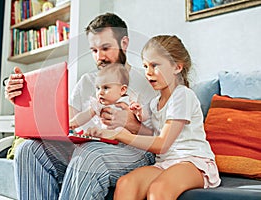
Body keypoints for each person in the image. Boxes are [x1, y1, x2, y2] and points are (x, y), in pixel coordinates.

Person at [5, 13, 158, 199]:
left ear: (124, 43)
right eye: (94, 50)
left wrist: (131, 124)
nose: (99, 57)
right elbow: (68, 123)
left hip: (133, 150)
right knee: (28, 150)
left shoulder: (148, 81)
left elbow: (161, 140)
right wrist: (23, 97)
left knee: (89, 155)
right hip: (90, 145)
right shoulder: (87, 81)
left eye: (106, 48)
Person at [86, 35, 221, 200]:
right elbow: (150, 135)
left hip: (192, 162)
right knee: (125, 183)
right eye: (145, 66)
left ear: (177, 67)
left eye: (154, 65)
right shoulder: (154, 103)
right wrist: (131, 118)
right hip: (165, 163)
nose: (148, 72)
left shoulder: (182, 95)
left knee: (158, 190)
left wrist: (120, 134)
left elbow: (162, 144)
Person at [69, 63, 131, 130]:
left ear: (122, 90)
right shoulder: (98, 105)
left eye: (106, 88)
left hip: (122, 137)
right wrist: (73, 123)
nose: (100, 93)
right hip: (104, 137)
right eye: (98, 88)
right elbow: (84, 115)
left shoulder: (128, 103)